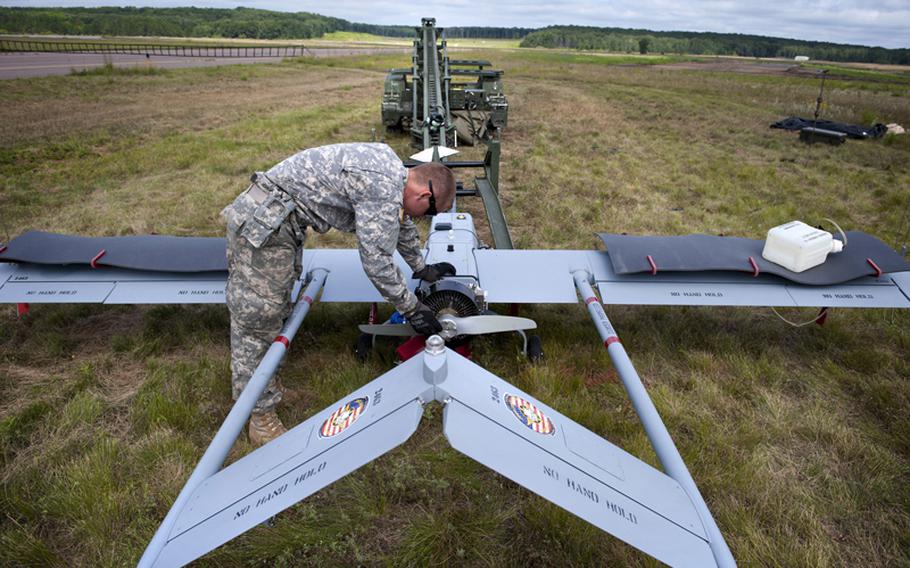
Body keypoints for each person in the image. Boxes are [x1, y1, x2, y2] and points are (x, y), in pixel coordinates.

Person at [222, 143, 457, 446]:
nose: (424, 218)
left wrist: (421, 267)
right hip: (263, 228)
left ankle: (267, 385)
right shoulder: (382, 189)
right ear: (424, 196)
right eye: (430, 212)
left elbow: (400, 224)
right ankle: (259, 415)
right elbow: (376, 262)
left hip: (279, 222)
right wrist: (411, 309)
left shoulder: (393, 172)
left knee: (277, 310)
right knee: (259, 319)